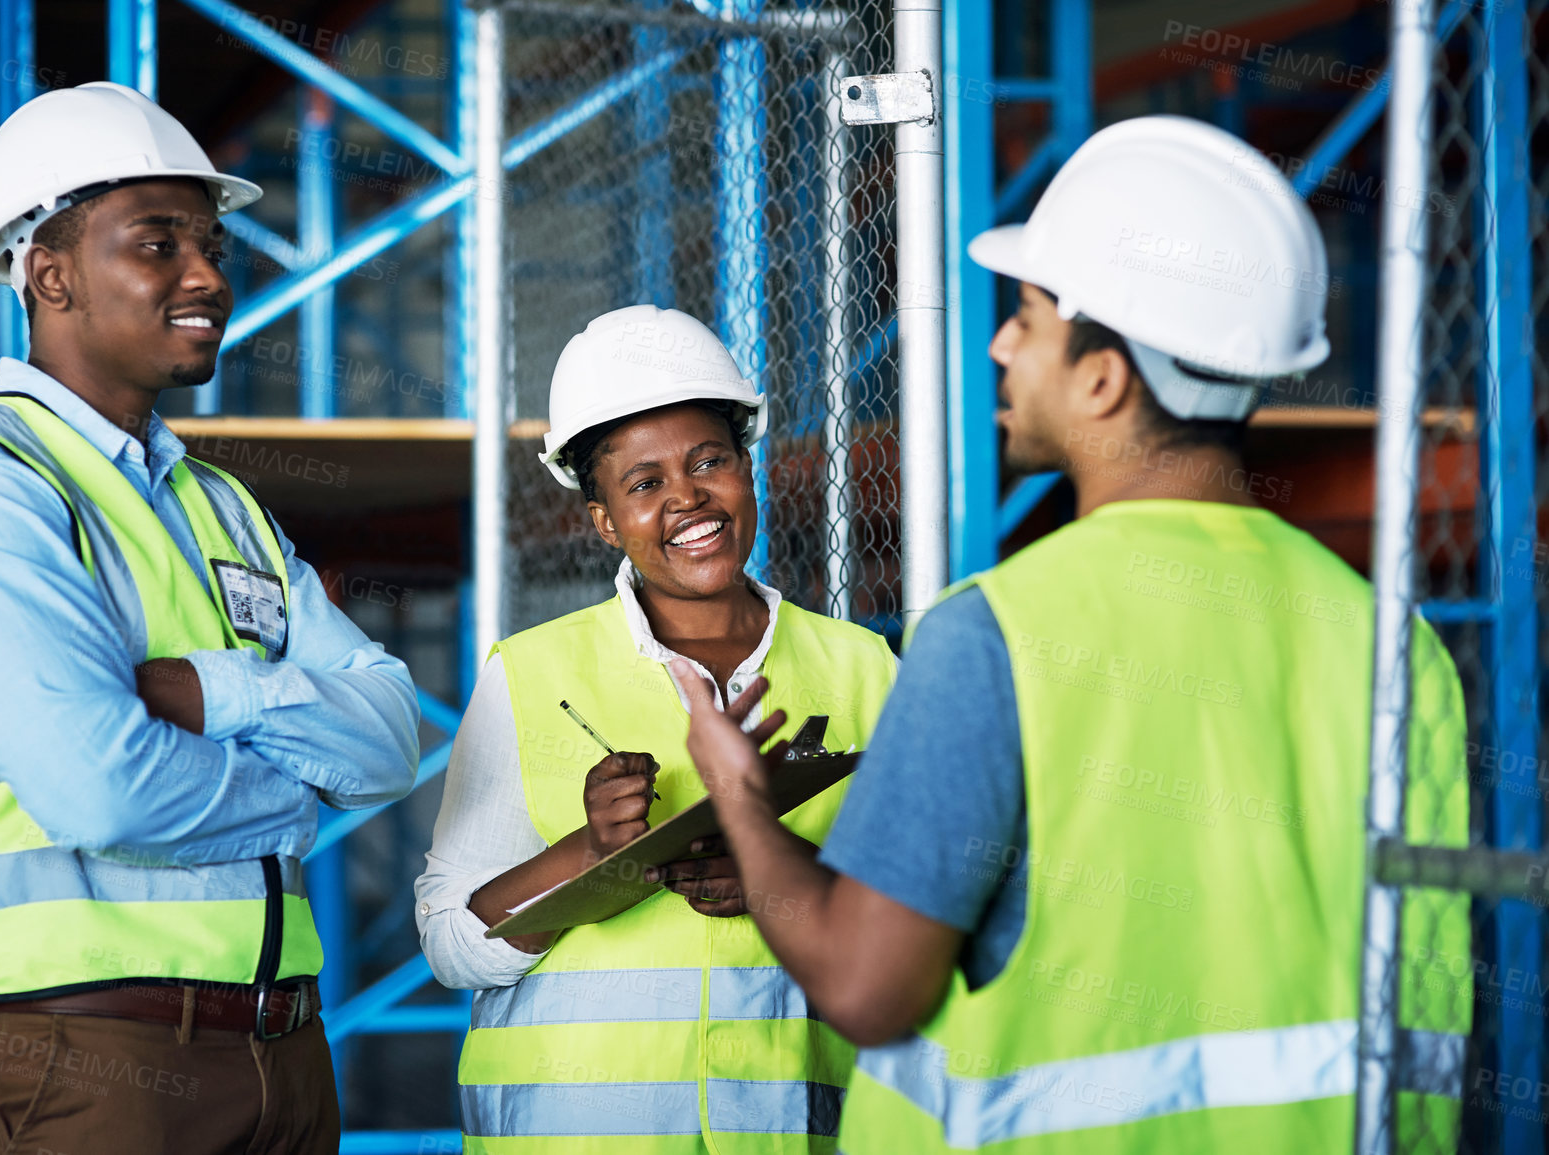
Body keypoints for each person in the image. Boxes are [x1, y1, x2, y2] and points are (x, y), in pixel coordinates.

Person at [670, 116, 1471, 1151]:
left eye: (1033, 318)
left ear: (1105, 377)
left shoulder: (998, 632)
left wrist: (738, 794)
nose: (1002, 343)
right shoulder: (1393, 639)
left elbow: (867, 990)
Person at [0, 82, 421, 1154]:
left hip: (289, 1059)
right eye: (156, 244)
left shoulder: (224, 506)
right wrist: (303, 793)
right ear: (48, 272)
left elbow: (392, 737)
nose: (209, 274)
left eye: (210, 243)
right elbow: (101, 787)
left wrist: (219, 691)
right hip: (84, 1070)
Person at [417, 304, 898, 1152]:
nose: (686, 498)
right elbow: (451, 946)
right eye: (643, 484)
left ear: (748, 468)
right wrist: (588, 855)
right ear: (603, 519)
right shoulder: (529, 673)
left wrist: (785, 883)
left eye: (708, 461)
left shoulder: (866, 669)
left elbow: (932, 914)